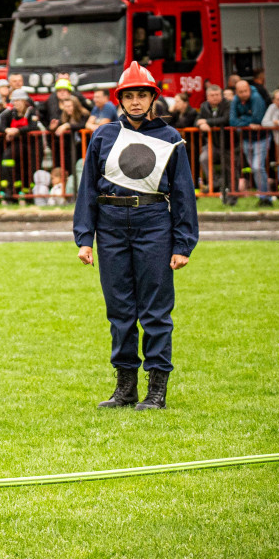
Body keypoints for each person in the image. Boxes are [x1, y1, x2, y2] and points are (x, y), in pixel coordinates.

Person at [73, 62, 198, 411]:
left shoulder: (171, 139)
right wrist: (85, 237)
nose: (136, 101)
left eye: (142, 94)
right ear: (121, 99)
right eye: (130, 95)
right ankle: (125, 388)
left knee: (156, 310)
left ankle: (156, 390)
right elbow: (87, 191)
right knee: (120, 309)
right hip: (110, 225)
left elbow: (184, 193)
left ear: (152, 97)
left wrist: (183, 243)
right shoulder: (103, 135)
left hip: (154, 222)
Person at [229, 80, 270, 206]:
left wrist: (242, 120)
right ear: (236, 92)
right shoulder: (236, 99)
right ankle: (264, 195)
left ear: (249, 89)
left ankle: (265, 196)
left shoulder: (256, 98)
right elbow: (232, 121)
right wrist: (247, 121)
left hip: (261, 138)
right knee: (254, 168)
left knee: (258, 167)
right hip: (247, 138)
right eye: (240, 92)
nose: (243, 94)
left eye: (245, 91)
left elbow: (258, 118)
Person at [0, 89, 43, 203]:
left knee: (30, 170)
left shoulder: (32, 112)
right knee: (9, 161)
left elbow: (33, 126)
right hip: (17, 146)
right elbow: (0, 124)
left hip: (32, 146)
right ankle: (10, 189)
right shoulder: (10, 113)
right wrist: (7, 130)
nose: (17, 103)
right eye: (15, 101)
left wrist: (17, 131)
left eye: (19, 100)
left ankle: (30, 195)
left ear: (25, 101)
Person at [195, 84, 231, 200]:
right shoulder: (204, 106)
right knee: (204, 158)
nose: (215, 97)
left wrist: (207, 122)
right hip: (212, 143)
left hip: (228, 143)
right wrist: (200, 125)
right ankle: (215, 183)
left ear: (221, 95)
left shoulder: (227, 104)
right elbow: (197, 120)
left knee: (228, 165)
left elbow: (226, 119)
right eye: (212, 95)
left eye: (217, 95)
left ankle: (228, 187)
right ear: (207, 97)